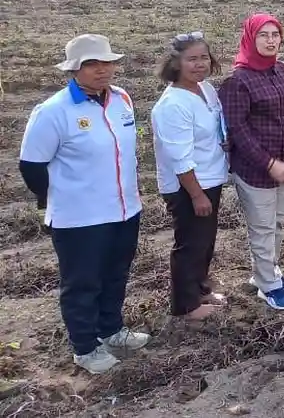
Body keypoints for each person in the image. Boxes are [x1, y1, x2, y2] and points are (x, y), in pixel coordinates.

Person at [18, 34, 149, 374]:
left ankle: (112, 329)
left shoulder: (121, 99)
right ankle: (85, 347)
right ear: (75, 69)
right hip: (80, 217)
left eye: (107, 62)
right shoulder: (53, 111)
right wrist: (53, 198)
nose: (102, 70)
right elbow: (31, 166)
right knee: (82, 282)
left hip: (124, 209)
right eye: (92, 64)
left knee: (115, 274)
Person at [219, 14, 284, 310]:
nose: (270, 40)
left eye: (275, 34)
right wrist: (268, 163)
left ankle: (270, 273)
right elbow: (238, 130)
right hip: (256, 170)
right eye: (263, 35)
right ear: (250, 39)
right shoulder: (237, 80)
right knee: (263, 228)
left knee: (279, 223)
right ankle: (268, 285)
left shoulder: (281, 71)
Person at [150, 32, 228, 322]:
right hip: (188, 186)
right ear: (176, 63)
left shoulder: (205, 89)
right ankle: (185, 306)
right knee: (190, 244)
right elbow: (179, 157)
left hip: (210, 178)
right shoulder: (173, 105)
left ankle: (200, 288)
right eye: (191, 59)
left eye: (204, 57)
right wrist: (196, 194)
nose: (199, 64)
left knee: (205, 241)